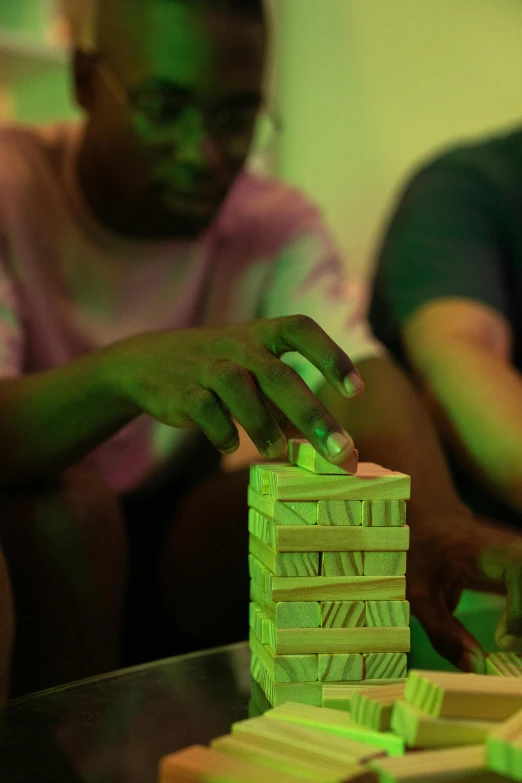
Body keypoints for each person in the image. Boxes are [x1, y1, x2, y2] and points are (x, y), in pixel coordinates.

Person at [0, 0, 520, 701]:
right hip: (40, 533)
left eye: (235, 118)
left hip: (168, 538)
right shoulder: (11, 189)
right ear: (87, 82)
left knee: (305, 499)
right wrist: (125, 370)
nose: (202, 151)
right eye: (165, 107)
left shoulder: (273, 222)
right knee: (66, 515)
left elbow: (356, 372)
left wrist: (426, 513)